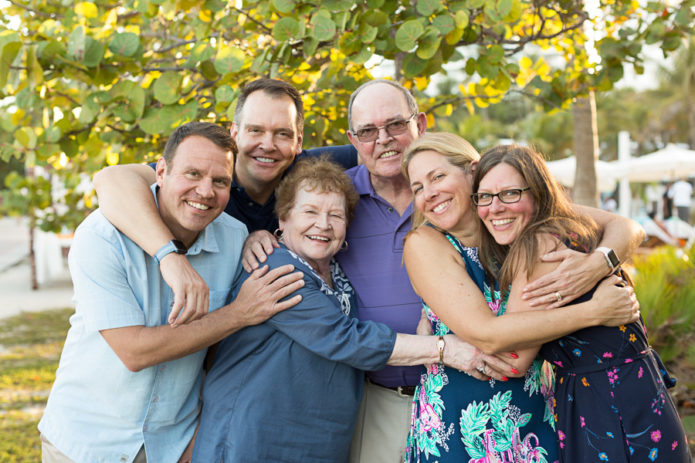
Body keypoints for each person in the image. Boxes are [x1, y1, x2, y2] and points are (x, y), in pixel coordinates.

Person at [241, 81, 647, 462]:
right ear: (353, 141)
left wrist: (600, 262)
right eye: (367, 132)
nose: (382, 140)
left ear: (419, 125)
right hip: (383, 398)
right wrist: (255, 233)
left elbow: (624, 226)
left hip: (510, 402)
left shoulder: (493, 202)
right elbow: (293, 215)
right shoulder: (338, 198)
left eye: (395, 125)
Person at [190, 157, 505, 462]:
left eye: (335, 216)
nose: (323, 225)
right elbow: (345, 338)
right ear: (283, 219)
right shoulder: (276, 269)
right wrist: (442, 348)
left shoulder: (338, 276)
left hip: (318, 441)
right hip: (254, 438)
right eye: (310, 211)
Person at [38, 122, 305, 463]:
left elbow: (223, 356)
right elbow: (134, 351)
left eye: (220, 181)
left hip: (175, 446)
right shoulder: (102, 236)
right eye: (192, 174)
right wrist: (238, 313)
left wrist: (201, 434)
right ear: (160, 172)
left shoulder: (235, 238)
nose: (205, 192)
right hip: (87, 443)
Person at [401, 133, 644, 462]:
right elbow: (488, 335)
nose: (429, 194)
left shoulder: (513, 218)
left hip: (536, 416)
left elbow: (626, 226)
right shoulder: (424, 243)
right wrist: (594, 312)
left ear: (473, 171)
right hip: (463, 424)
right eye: (417, 187)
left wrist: (598, 263)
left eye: (438, 177)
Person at [473, 144, 690, 462]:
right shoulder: (571, 227)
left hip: (606, 407)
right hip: (642, 395)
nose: (495, 207)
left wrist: (439, 343)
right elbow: (623, 224)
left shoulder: (539, 247)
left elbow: (514, 360)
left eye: (510, 194)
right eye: (485, 196)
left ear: (537, 194)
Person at [92, 78, 357, 323]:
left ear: (299, 141)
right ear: (235, 133)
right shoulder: (206, 181)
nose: (268, 144)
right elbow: (110, 180)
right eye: (255, 130)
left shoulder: (311, 170)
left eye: (282, 134)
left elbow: (378, 150)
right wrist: (170, 256)